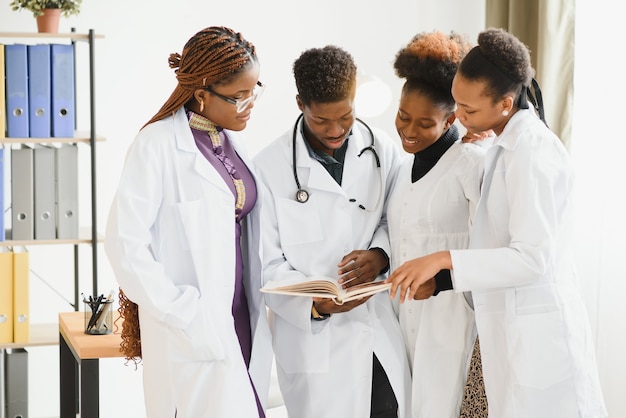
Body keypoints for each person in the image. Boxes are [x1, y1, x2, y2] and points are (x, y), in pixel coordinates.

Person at [386, 27, 608, 417]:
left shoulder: (532, 152)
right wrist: (441, 281)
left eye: (468, 111)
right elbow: (492, 245)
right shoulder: (501, 146)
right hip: (501, 329)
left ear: (505, 104)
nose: (459, 118)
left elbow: (532, 258)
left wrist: (443, 259)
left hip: (537, 336)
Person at [104, 26, 272, 418]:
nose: (249, 105)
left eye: (254, 91)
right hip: (192, 327)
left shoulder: (233, 141)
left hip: (239, 315)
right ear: (201, 94)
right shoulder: (157, 144)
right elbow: (124, 244)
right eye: (238, 96)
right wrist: (184, 312)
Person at [253, 45, 411, 418]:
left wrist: (380, 254)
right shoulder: (268, 168)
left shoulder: (381, 149)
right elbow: (266, 263)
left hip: (377, 333)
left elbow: (399, 218)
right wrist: (316, 305)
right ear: (300, 104)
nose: (336, 130)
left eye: (346, 116)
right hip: (314, 344)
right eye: (322, 120)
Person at [386, 31, 488, 418]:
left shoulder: (473, 164)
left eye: (425, 123)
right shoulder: (400, 168)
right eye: (402, 116)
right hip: (404, 322)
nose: (409, 131)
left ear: (452, 118)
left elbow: (495, 251)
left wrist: (444, 280)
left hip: (455, 321)